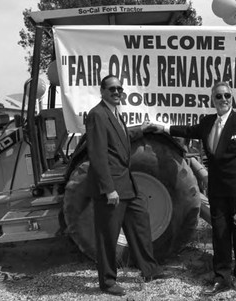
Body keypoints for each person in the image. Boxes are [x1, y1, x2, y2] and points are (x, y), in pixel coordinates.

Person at [151, 81, 236, 295]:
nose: (223, 99)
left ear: (232, 98)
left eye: (227, 95)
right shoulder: (208, 122)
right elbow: (188, 130)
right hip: (217, 190)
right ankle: (221, 276)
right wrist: (162, 127)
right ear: (212, 99)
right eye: (218, 96)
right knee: (220, 233)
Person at [85, 75, 166, 296]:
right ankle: (108, 282)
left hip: (127, 183)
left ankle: (149, 269)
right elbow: (98, 154)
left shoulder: (114, 113)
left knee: (140, 222)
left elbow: (120, 138)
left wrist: (142, 129)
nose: (116, 92)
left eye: (119, 88)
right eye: (111, 88)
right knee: (108, 235)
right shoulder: (97, 115)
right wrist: (108, 188)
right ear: (102, 91)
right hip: (111, 186)